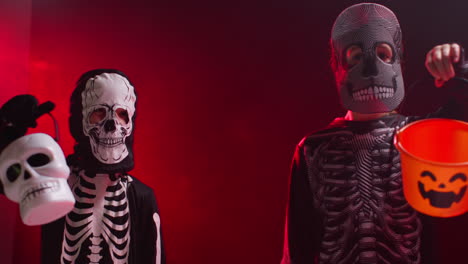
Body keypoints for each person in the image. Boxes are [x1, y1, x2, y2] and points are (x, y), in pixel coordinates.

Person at [281, 3, 468, 264]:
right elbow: (297, 246)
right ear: (337, 65)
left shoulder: (420, 137)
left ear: (399, 62)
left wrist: (460, 69)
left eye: (383, 54)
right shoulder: (311, 149)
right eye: (356, 57)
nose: (370, 71)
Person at [41, 69, 165, 264]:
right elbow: (11, 183)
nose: (111, 125)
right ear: (79, 121)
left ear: (130, 122)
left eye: (122, 114)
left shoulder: (141, 196)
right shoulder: (55, 185)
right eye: (98, 112)